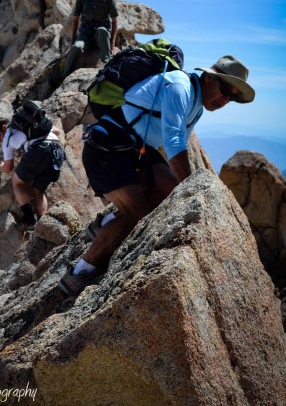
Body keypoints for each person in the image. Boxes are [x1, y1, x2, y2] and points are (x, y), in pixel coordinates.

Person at [59, 55, 255, 296]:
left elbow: (180, 142)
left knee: (168, 191)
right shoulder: (180, 87)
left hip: (135, 149)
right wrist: (192, 189)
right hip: (107, 145)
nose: (225, 99)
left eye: (233, 96)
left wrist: (183, 187)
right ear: (207, 78)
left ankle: (106, 223)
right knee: (138, 215)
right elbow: (173, 141)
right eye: (225, 89)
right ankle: (79, 272)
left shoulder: (197, 105)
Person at [0, 117, 65, 229]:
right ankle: (43, 223)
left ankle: (29, 220)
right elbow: (57, 131)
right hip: (58, 150)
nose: (0, 139)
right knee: (37, 189)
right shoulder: (28, 123)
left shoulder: (8, 136)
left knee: (16, 182)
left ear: (4, 127)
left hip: (39, 150)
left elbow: (8, 168)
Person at [63, 0, 119, 77]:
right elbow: (75, 19)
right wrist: (72, 40)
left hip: (101, 36)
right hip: (86, 35)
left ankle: (107, 66)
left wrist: (112, 43)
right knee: (77, 47)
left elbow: (115, 20)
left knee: (102, 30)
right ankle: (65, 74)